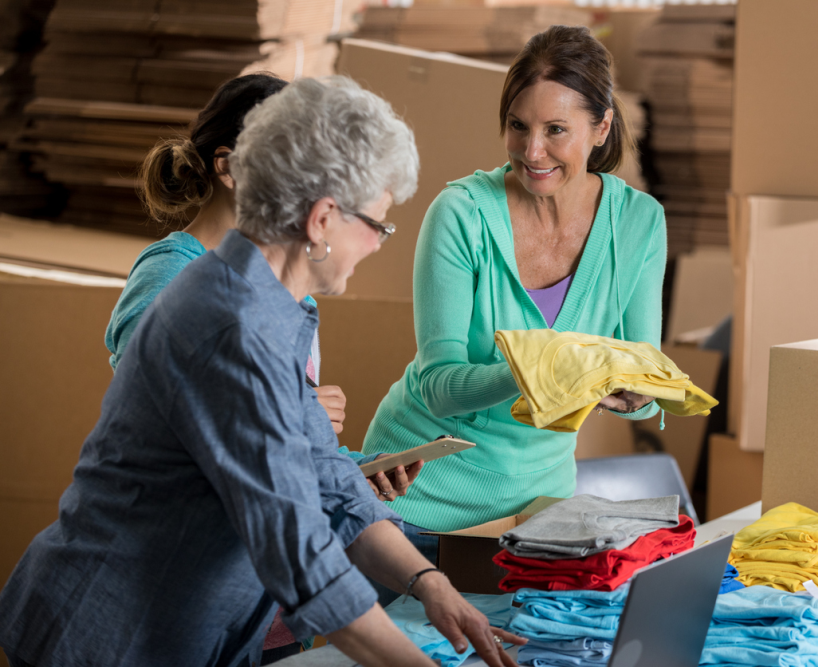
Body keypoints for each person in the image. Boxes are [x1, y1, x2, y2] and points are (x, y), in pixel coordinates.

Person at [0, 76, 522, 667]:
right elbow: (299, 551)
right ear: (323, 219)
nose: (378, 245)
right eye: (378, 225)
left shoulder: (270, 304)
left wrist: (432, 585)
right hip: (109, 639)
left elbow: (327, 474)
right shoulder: (230, 327)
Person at [103, 73, 419, 662]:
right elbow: (192, 445)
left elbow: (283, 454)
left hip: (249, 607)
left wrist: (347, 470)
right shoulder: (183, 287)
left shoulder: (292, 295)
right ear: (230, 168)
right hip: (163, 607)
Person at [361, 25, 666, 570]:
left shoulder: (639, 223)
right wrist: (541, 369)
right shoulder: (461, 214)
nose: (532, 151)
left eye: (555, 130)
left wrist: (633, 390)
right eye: (517, 126)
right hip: (415, 500)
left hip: (537, 506)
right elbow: (436, 388)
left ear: (601, 128)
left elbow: (640, 362)